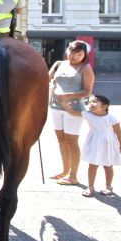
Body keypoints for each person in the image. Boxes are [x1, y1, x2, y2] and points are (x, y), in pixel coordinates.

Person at [48, 40, 95, 185]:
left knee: (71, 141)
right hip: (55, 106)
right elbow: (46, 79)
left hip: (74, 109)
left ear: (84, 55)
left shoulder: (85, 68)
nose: (74, 56)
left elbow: (87, 91)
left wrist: (67, 96)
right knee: (61, 139)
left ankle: (73, 176)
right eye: (72, 52)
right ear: (67, 50)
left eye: (79, 54)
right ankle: (64, 170)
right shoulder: (58, 64)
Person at [60, 94, 121, 197]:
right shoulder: (88, 114)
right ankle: (90, 187)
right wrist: (63, 103)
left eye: (94, 101)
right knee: (92, 165)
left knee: (108, 166)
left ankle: (108, 186)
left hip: (107, 144)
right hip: (94, 142)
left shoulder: (111, 118)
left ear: (104, 106)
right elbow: (73, 112)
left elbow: (118, 133)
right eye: (89, 101)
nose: (90, 103)